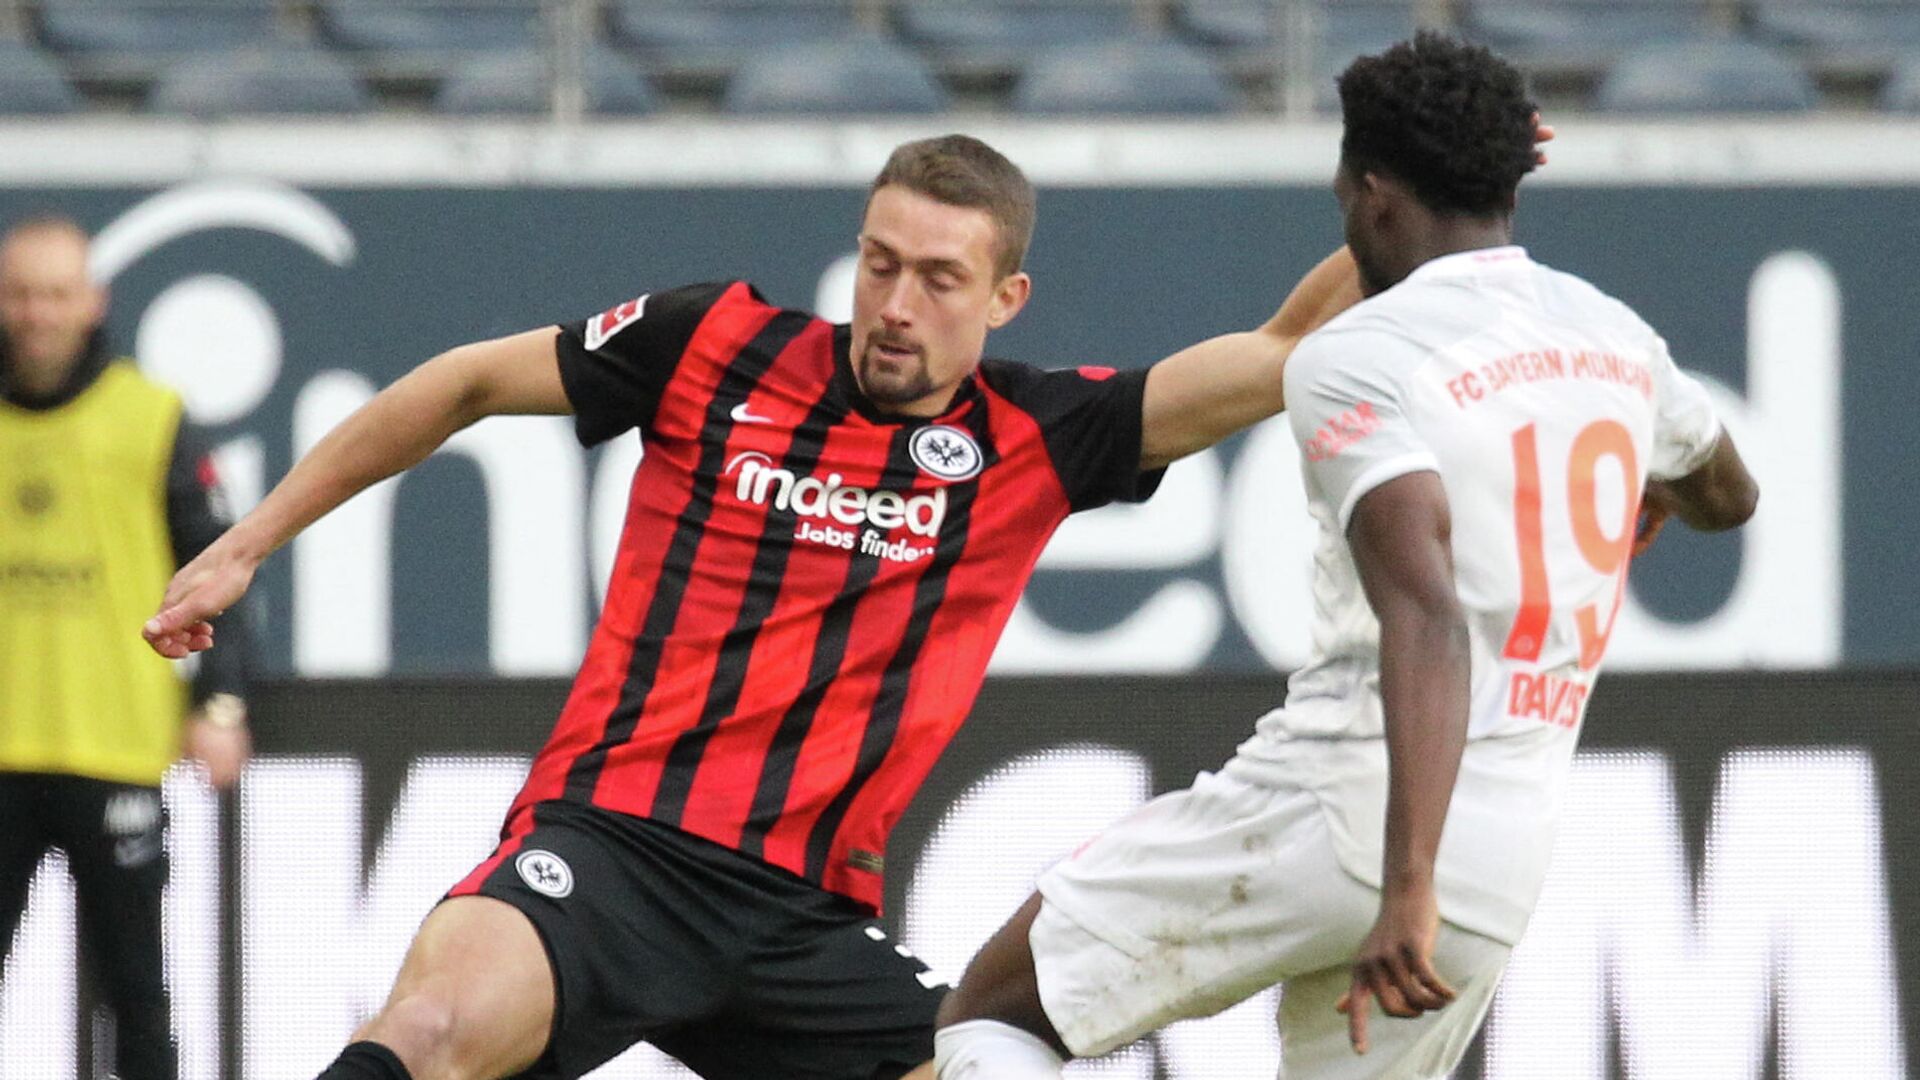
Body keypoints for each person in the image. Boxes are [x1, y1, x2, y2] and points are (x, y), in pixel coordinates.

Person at [141, 135, 1368, 1080]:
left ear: (1005, 298)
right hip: (614, 848)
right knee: (436, 1026)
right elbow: (464, 383)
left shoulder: (1044, 433)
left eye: (941, 279)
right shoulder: (711, 345)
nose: (895, 304)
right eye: (881, 264)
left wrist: (1427, 199)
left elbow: (1283, 347)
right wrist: (248, 543)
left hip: (805, 924)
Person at [931, 34, 1760, 1080]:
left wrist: (1403, 879)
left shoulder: (1355, 359)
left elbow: (1424, 611)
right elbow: (1729, 493)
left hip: (1348, 808)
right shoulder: (1618, 343)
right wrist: (1657, 490)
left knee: (994, 1014)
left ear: (1368, 194)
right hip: (1500, 861)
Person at [0, 215, 254, 1080]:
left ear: (93, 303)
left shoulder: (149, 417)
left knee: (136, 994)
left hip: (113, 748)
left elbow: (222, 564)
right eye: (22, 294)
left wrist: (219, 703)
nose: (37, 314)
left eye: (56, 295)